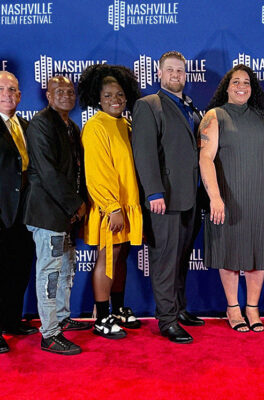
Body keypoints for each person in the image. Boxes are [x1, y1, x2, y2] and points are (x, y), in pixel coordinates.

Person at [199, 64, 264, 333]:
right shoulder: (215, 115)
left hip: (260, 196)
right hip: (227, 196)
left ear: (252, 87)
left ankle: (253, 308)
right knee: (229, 253)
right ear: (227, 86)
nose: (241, 87)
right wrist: (215, 197)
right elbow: (205, 158)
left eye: (246, 82)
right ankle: (233, 308)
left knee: (259, 253)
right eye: (235, 82)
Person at [132, 51, 204, 344]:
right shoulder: (149, 105)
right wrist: (154, 192)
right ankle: (167, 320)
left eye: (180, 71)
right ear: (159, 74)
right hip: (166, 199)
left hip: (190, 197)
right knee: (165, 261)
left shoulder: (189, 107)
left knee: (181, 259)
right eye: (170, 70)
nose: (176, 75)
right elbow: (145, 152)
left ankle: (179, 308)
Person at [24, 76, 91, 355]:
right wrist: (75, 204)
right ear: (48, 96)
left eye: (69, 91)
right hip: (47, 213)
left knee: (66, 269)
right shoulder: (41, 124)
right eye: (58, 91)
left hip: (66, 213)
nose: (65, 95)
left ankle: (62, 318)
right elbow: (48, 173)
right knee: (50, 274)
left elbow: (77, 171)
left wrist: (79, 204)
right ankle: (49, 333)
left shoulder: (72, 127)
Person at [78, 64, 142, 339]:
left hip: (129, 204)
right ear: (97, 98)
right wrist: (112, 207)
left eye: (119, 94)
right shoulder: (94, 127)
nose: (114, 99)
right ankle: (102, 317)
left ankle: (118, 309)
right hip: (111, 208)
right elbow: (96, 172)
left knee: (121, 257)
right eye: (107, 95)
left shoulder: (125, 124)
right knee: (108, 257)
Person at [0, 71, 37, 354]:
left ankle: (11, 321)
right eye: (2, 89)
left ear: (20, 96)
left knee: (19, 269)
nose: (7, 94)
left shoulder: (25, 125)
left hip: (24, 212)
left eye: (13, 89)